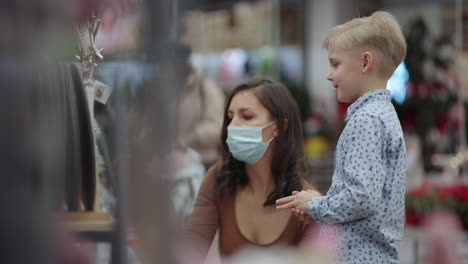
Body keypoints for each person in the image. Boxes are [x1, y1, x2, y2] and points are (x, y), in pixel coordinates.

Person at [276, 11, 408, 264]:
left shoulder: (365, 120)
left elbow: (361, 197)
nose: (329, 74)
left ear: (365, 62)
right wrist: (325, 211)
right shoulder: (383, 114)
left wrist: (316, 205)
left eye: (335, 64)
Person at [184, 78, 318, 263]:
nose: (233, 126)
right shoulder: (218, 179)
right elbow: (191, 250)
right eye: (230, 117)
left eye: (246, 116)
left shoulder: (307, 204)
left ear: (279, 127)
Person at [160, 43, 225, 168]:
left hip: (204, 162)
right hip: (177, 163)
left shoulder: (206, 88)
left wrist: (188, 139)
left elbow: (217, 127)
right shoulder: (170, 91)